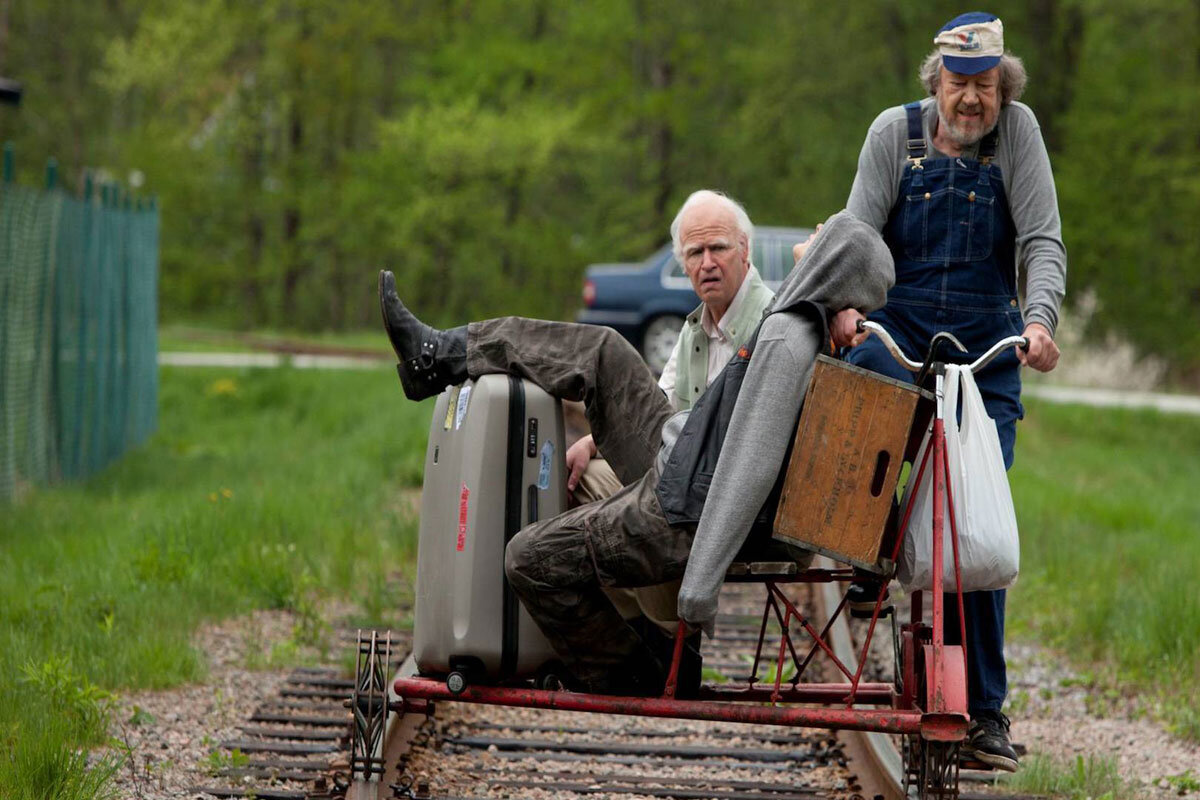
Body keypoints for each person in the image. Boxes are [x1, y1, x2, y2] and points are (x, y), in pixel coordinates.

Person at [379, 207, 894, 697]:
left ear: (830, 259)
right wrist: (836, 308)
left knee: (529, 558)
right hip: (688, 461)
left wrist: (698, 590)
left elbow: (751, 467)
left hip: (687, 504)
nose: (813, 230)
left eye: (823, 232)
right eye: (696, 251)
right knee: (603, 351)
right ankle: (441, 357)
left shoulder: (787, 334)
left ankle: (635, 672)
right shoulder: (804, 315)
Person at [838, 11, 1066, 773]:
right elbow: (859, 236)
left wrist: (1037, 322)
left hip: (986, 350)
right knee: (850, 396)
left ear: (1005, 87)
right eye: (960, 84)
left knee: (976, 529)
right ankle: (870, 545)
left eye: (987, 87)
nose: (972, 101)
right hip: (900, 330)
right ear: (936, 81)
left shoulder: (1018, 135)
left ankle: (986, 714)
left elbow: (1040, 240)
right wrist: (845, 308)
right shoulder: (891, 137)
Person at [566, 190, 778, 638]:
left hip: (736, 504)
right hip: (684, 484)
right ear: (683, 264)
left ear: (744, 250)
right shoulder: (695, 329)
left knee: (643, 510)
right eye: (694, 253)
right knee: (575, 480)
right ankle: (651, 628)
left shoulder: (773, 324)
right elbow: (656, 410)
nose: (707, 263)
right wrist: (592, 442)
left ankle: (669, 633)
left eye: (717, 248)